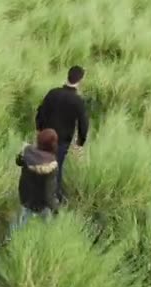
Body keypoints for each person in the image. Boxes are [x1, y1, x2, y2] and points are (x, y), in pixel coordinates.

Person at [35, 65, 89, 203]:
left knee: (42, 164)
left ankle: (39, 193)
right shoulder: (77, 101)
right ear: (80, 81)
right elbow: (83, 123)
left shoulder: (52, 93)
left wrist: (39, 129)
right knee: (56, 167)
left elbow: (40, 111)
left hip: (45, 137)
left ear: (67, 76)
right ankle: (54, 198)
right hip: (62, 140)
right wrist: (80, 142)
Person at [9, 129, 60, 235]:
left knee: (19, 226)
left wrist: (22, 152)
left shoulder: (28, 151)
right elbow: (49, 194)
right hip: (42, 203)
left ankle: (11, 242)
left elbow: (18, 162)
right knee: (48, 228)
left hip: (25, 197)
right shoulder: (52, 164)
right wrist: (56, 210)